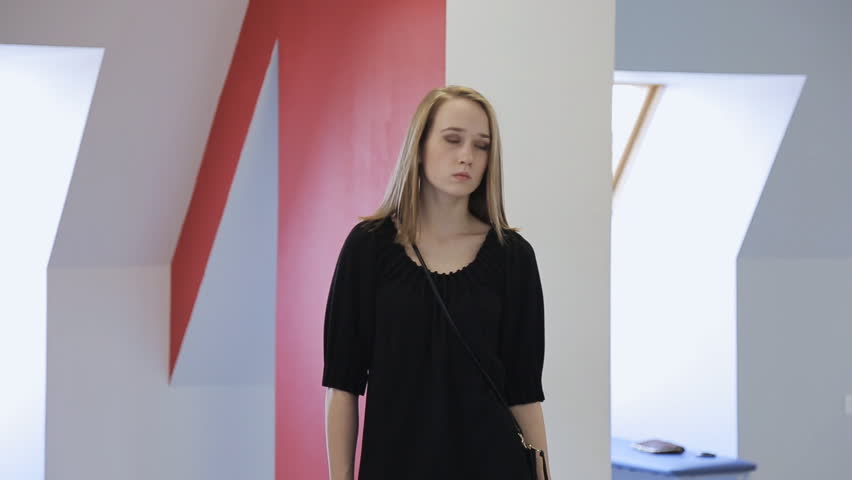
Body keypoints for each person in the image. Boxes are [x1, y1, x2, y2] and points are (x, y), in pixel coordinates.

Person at [323, 85, 549, 479]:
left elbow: (525, 394)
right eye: (452, 140)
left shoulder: (514, 257)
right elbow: (342, 386)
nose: (467, 156)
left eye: (482, 146)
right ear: (420, 145)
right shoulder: (369, 248)